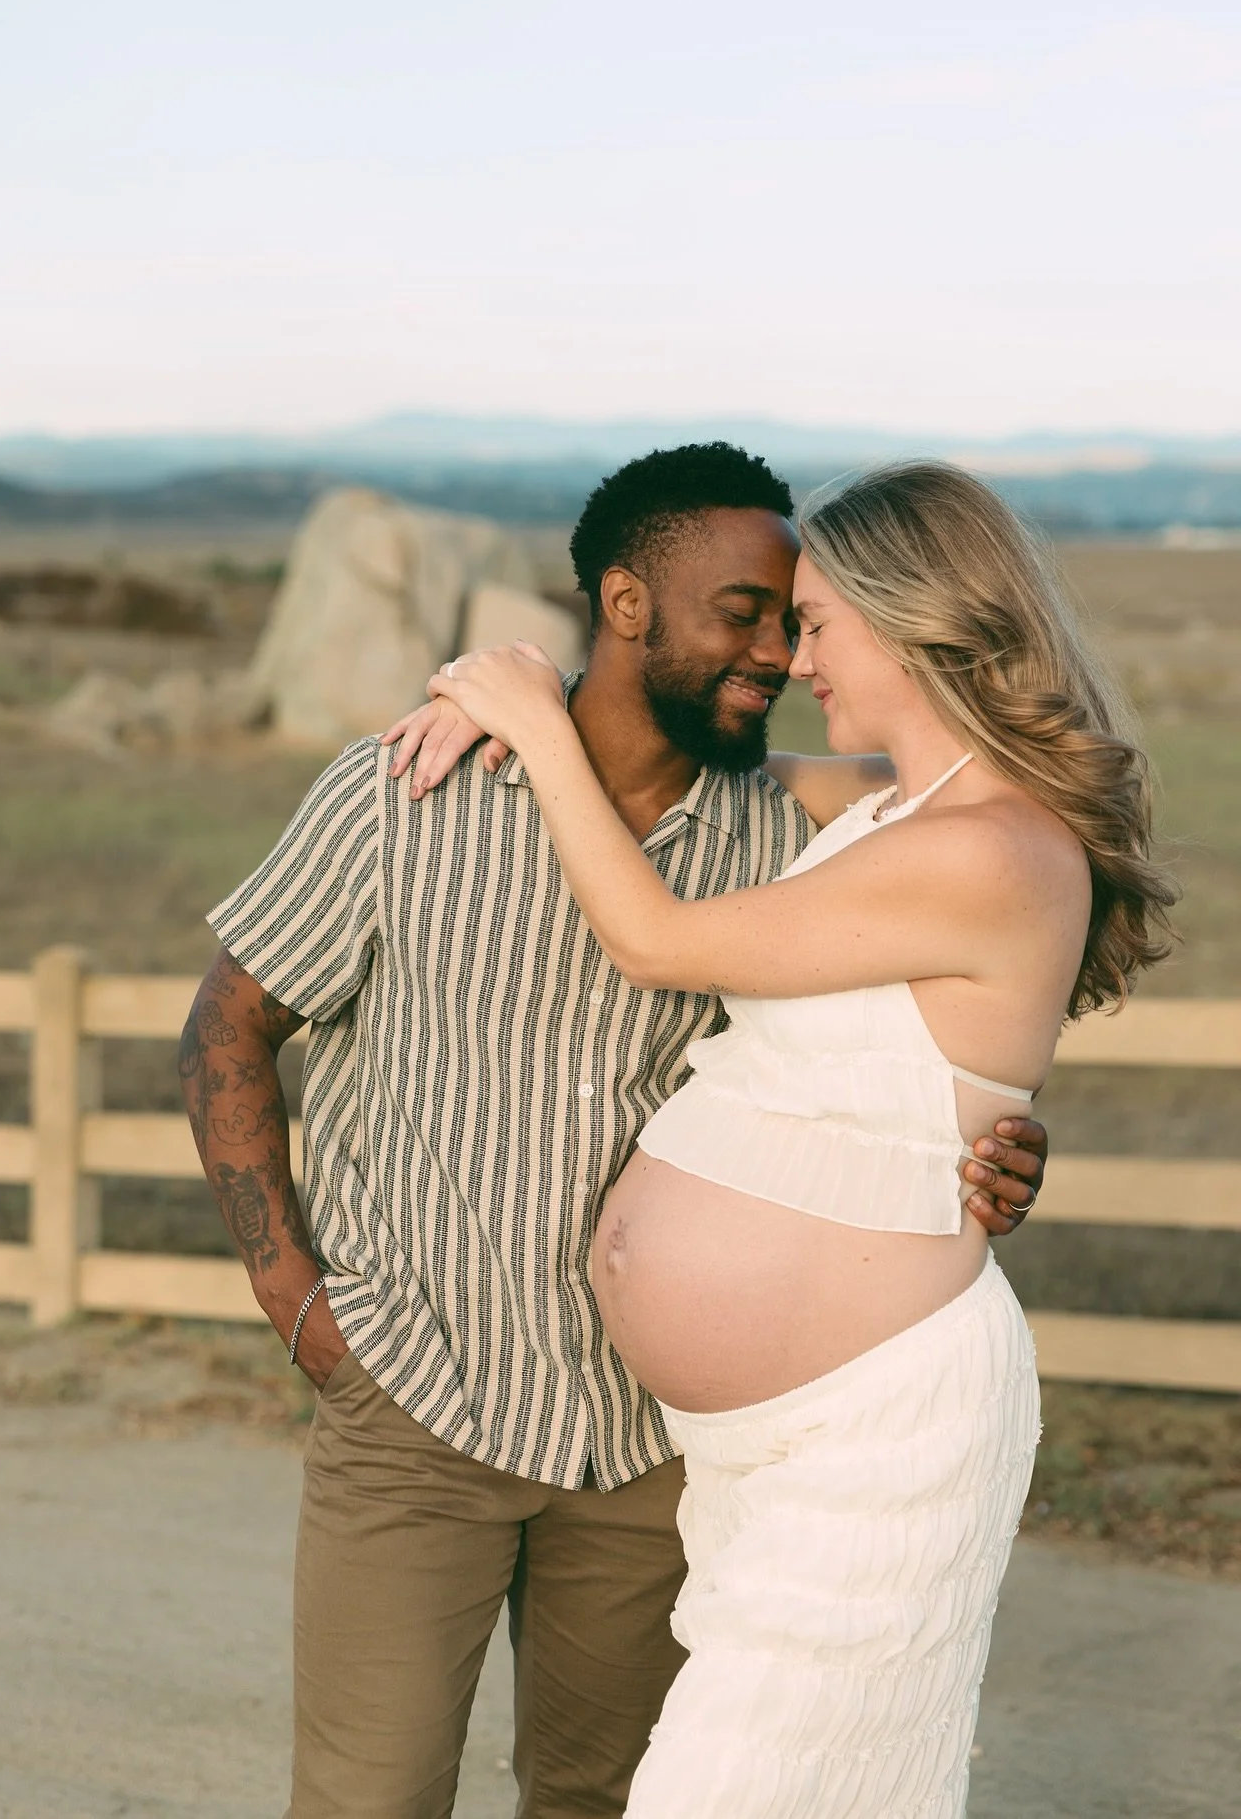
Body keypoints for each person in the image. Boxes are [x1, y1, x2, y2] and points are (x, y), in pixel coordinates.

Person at [178, 444, 1050, 1819]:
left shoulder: (786, 831)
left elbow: (962, 914)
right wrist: (297, 1302)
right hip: (420, 1395)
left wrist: (990, 1132)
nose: (774, 653)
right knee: (367, 1798)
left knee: (599, 1797)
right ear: (630, 604)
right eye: (743, 614)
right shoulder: (405, 792)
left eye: (794, 620)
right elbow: (225, 1029)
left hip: (649, 1445)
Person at [417, 459, 1177, 1818]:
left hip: (871, 1432)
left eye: (817, 621)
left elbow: (653, 937)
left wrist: (533, 724)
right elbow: (714, 776)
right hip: (764, 1441)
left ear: (912, 619)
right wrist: (535, 709)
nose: (793, 654)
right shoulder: (895, 806)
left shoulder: (994, 847)